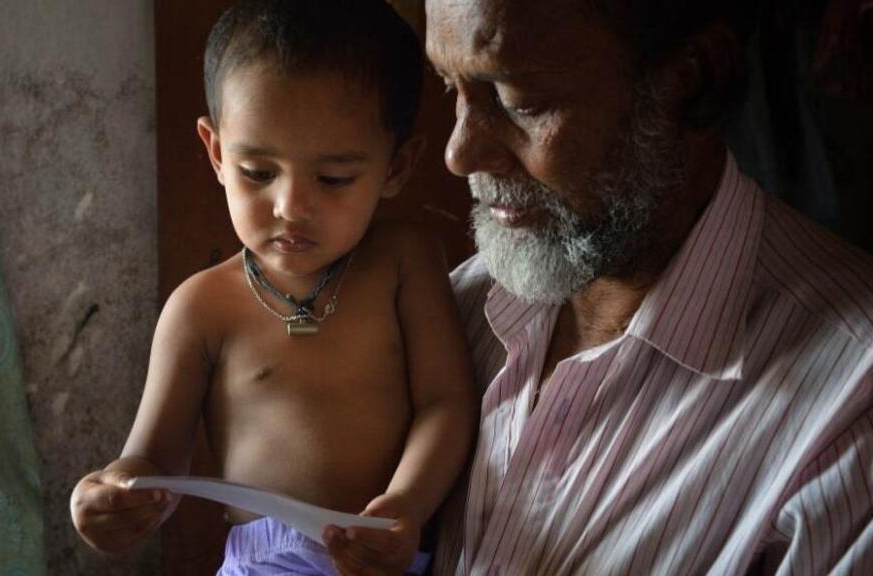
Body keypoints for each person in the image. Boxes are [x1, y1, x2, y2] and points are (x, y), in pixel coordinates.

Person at [326, 0, 873, 574]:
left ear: (692, 80)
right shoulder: (445, 314)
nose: (459, 153)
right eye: (451, 88)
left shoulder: (848, 409)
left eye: (520, 102)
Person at [69, 1, 475, 574]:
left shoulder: (403, 262)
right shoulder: (201, 307)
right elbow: (152, 459)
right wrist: (112, 497)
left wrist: (407, 505)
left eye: (333, 179)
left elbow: (447, 403)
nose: (290, 208)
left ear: (397, 168)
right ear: (216, 152)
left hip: (387, 555)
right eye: (257, 172)